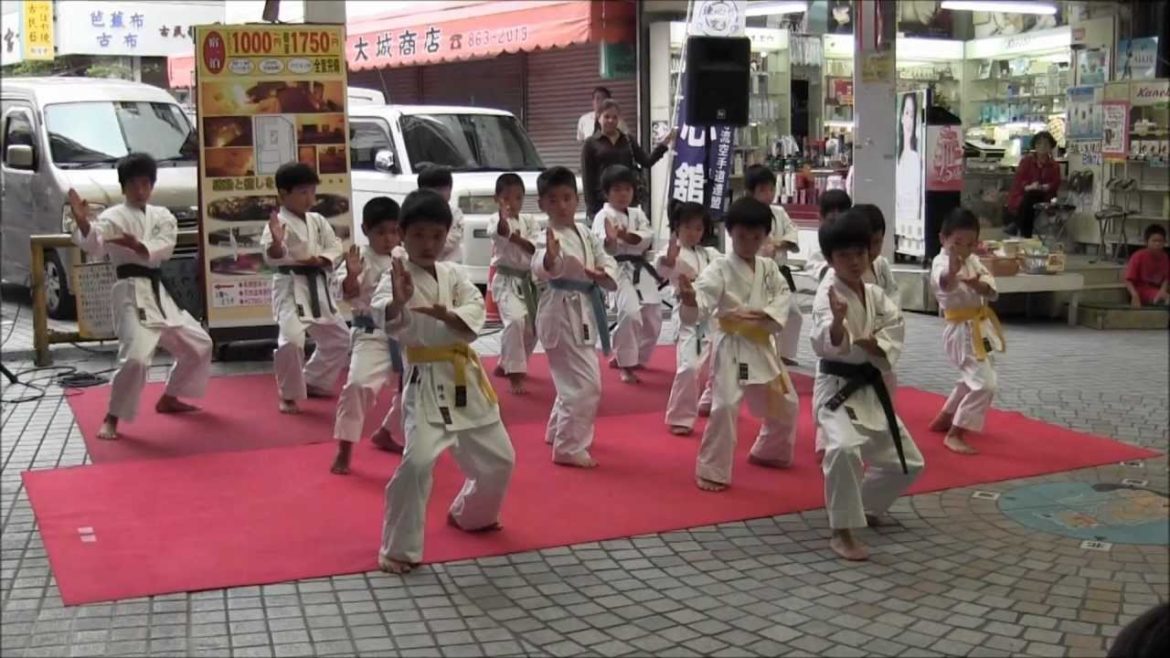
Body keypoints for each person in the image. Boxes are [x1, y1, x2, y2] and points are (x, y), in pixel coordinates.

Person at [372, 189, 516, 575]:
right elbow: (383, 315)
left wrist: (447, 314)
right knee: (418, 464)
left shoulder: (453, 274)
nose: (428, 244)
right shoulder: (395, 278)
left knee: (501, 459)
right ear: (402, 234)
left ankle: (471, 514)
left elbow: (474, 310)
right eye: (419, 235)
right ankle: (398, 549)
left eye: (436, 236)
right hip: (424, 380)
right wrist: (399, 303)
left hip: (464, 377)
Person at [67, 153, 212, 440]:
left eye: (146, 183)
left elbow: (165, 247)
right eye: (133, 184)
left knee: (201, 345)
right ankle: (112, 416)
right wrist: (84, 223)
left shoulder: (162, 216)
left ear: (152, 185)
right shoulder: (113, 216)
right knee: (136, 358)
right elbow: (95, 242)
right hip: (130, 290)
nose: (140, 190)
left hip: (158, 292)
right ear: (123, 187)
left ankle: (170, 397)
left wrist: (138, 245)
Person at [811, 208, 924, 563]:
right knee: (843, 449)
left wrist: (872, 342)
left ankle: (866, 507)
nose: (854, 261)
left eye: (859, 253)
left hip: (869, 388)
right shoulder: (828, 293)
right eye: (844, 255)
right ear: (830, 259)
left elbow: (894, 326)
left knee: (908, 463)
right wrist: (840, 326)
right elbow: (826, 338)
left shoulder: (874, 293)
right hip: (836, 390)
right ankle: (841, 530)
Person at [677, 197, 798, 492]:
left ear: (765, 236)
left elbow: (783, 296)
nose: (749, 242)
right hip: (732, 344)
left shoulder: (769, 268)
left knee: (787, 402)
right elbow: (703, 298)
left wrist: (766, 315)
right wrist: (692, 299)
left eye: (756, 237)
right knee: (726, 405)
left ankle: (769, 450)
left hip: (761, 343)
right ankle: (712, 469)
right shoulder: (719, 268)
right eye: (742, 236)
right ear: (730, 233)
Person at [532, 166, 619, 468]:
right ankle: (569, 446)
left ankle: (558, 430)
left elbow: (605, 259)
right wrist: (549, 258)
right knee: (585, 384)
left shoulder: (583, 232)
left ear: (577, 200)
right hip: (561, 309)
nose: (561, 205)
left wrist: (604, 273)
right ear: (542, 204)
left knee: (571, 378)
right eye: (553, 200)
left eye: (567, 198)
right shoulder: (546, 235)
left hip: (582, 307)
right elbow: (542, 266)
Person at [261, 162, 350, 414]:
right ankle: (288, 394)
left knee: (340, 339)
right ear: (283, 194)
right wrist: (278, 245)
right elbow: (272, 254)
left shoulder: (318, 220)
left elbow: (334, 246)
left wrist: (321, 259)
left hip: (316, 284)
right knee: (291, 340)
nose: (309, 198)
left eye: (312, 191)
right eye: (302, 192)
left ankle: (312, 380)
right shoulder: (277, 222)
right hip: (289, 285)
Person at [330, 197, 408, 475]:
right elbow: (347, 293)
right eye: (380, 232)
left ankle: (387, 431)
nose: (389, 239)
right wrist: (351, 276)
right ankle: (345, 448)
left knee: (415, 388)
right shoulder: (359, 257)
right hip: (371, 334)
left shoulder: (405, 256)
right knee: (358, 386)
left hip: (406, 333)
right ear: (365, 230)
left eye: (394, 231)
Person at [930, 208, 1004, 456]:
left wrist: (977, 284)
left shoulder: (974, 261)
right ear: (943, 239)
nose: (964, 248)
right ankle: (956, 432)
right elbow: (944, 284)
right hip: (960, 330)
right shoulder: (941, 262)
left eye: (970, 243)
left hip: (979, 327)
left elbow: (989, 287)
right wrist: (951, 272)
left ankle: (946, 416)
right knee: (985, 384)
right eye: (957, 243)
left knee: (974, 375)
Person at [593, 165, 662, 383]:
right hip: (616, 270)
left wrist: (624, 235)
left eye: (627, 189)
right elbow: (603, 248)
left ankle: (633, 356)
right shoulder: (603, 216)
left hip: (640, 269)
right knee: (630, 312)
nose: (623, 194)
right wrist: (612, 240)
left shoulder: (637, 213)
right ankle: (626, 363)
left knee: (653, 317)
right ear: (606, 193)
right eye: (617, 189)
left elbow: (647, 238)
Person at [658, 202, 721, 436]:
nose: (693, 233)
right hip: (687, 311)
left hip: (712, 313)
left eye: (698, 228)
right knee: (689, 365)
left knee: (720, 361)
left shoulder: (710, 255)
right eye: (688, 227)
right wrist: (669, 260)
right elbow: (663, 268)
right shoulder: (672, 251)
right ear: (676, 227)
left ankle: (709, 399)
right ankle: (680, 416)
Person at [744, 164, 803, 366]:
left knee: (793, 313)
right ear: (750, 192)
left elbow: (792, 235)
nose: (769, 194)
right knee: (760, 316)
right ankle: (757, 354)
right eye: (763, 190)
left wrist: (776, 244)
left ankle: (784, 353)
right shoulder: (745, 215)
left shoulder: (779, 213)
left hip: (779, 272)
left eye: (771, 189)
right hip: (754, 273)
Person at [490, 173, 542, 394]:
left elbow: (534, 248)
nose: (513, 203)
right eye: (507, 198)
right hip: (506, 280)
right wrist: (504, 218)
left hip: (528, 280)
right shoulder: (495, 219)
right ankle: (515, 374)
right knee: (515, 322)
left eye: (518, 198)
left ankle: (506, 362)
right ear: (498, 199)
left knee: (532, 329)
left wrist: (516, 238)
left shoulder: (530, 221)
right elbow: (501, 232)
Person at [581, 99, 676, 218]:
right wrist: (592, 210)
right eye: (607, 117)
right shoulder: (590, 144)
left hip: (627, 201)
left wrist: (664, 143)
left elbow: (647, 161)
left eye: (615, 117)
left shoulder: (628, 140)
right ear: (598, 117)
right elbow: (587, 180)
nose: (611, 120)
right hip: (603, 204)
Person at [1005, 131, 1061, 238]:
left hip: (1045, 196)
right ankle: (1025, 233)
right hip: (1026, 194)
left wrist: (1046, 186)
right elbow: (1019, 179)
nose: (1042, 147)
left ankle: (1018, 225)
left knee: (1032, 196)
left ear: (1050, 147)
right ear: (1035, 145)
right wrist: (1029, 186)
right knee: (1031, 196)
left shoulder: (1054, 166)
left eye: (1046, 144)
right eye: (1039, 144)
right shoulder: (1027, 161)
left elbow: (1056, 183)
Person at [417, 166, 465, 263]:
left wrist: (428, 247)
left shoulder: (455, 214)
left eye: (441, 189)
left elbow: (452, 240)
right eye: (432, 190)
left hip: (451, 264)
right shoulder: (417, 213)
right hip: (423, 263)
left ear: (450, 189)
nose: (437, 194)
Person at [804, 189, 853, 282]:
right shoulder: (820, 239)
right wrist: (834, 269)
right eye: (832, 220)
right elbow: (812, 265)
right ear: (821, 218)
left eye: (841, 220)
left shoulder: (857, 235)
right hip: (831, 284)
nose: (837, 224)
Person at [854, 204, 900, 304]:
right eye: (866, 243)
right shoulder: (845, 271)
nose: (871, 250)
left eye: (877, 242)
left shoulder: (881, 265)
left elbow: (894, 297)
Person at [895, 92, 923, 230]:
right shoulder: (896, 157)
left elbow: (916, 203)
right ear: (901, 117)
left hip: (910, 224)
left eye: (912, 115)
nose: (909, 120)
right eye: (906, 113)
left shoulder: (914, 159)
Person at [1125, 225, 1169, 307]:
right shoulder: (1138, 256)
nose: (1157, 244)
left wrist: (1162, 291)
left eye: (1160, 241)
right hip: (1141, 290)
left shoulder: (1165, 257)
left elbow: (1166, 279)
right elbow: (1128, 280)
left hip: (1157, 290)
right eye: (1154, 241)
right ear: (1146, 242)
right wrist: (1134, 295)